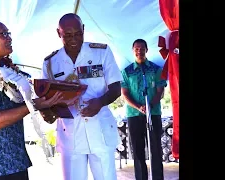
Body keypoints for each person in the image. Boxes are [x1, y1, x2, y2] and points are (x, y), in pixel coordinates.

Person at [0, 19, 64, 180]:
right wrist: (33, 105)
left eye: (8, 34)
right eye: (3, 34)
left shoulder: (7, 69)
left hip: (14, 161)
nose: (9, 38)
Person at [40, 13, 123, 180]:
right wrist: (47, 111)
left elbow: (116, 88)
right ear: (59, 33)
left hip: (99, 129)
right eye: (68, 35)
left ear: (83, 29)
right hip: (70, 134)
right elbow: (46, 99)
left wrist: (100, 102)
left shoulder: (101, 52)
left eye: (78, 34)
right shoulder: (50, 62)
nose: (74, 39)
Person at [120, 39, 167, 180]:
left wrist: (150, 105)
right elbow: (125, 94)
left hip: (153, 113)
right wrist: (139, 107)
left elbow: (160, 91)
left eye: (142, 48)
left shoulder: (156, 69)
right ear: (133, 50)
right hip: (134, 115)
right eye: (136, 49)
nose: (139, 51)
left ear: (146, 50)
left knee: (156, 150)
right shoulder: (126, 71)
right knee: (138, 152)